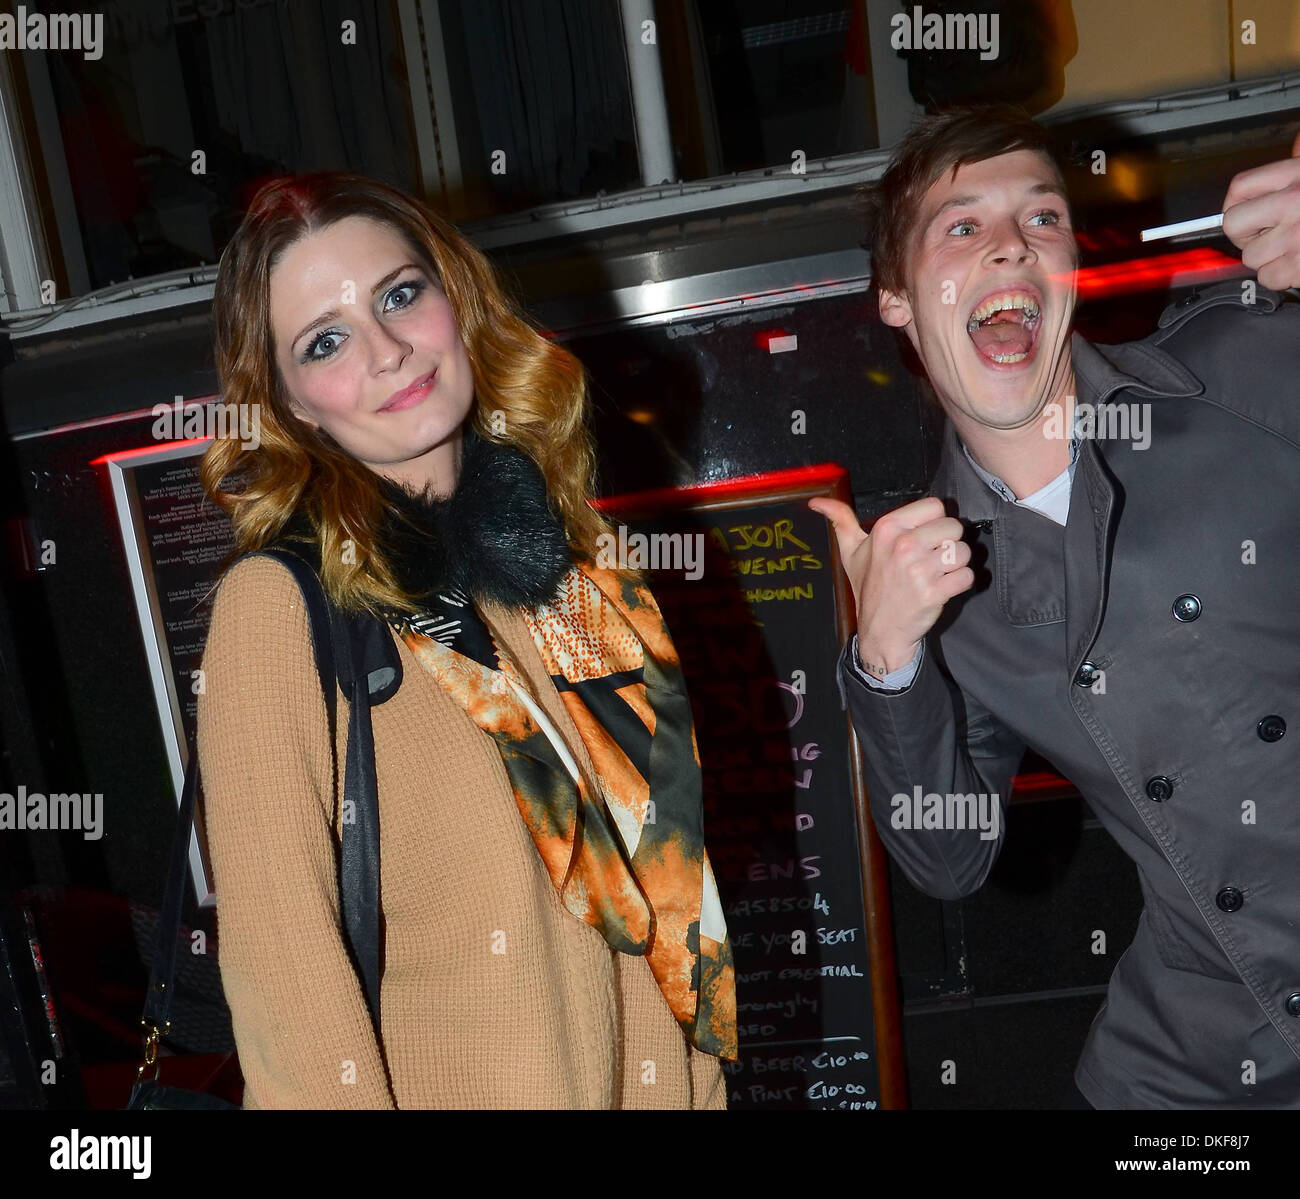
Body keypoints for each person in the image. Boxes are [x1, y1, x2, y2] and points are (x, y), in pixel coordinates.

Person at [195, 170, 736, 1109]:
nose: (390, 349)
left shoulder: (577, 568)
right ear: (290, 406)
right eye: (327, 341)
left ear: (457, 298)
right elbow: (289, 992)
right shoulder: (279, 609)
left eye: (401, 294)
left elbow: (669, 909)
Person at [812, 104, 1300, 1109]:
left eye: (1040, 219)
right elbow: (950, 855)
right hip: (1210, 1049)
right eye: (961, 225)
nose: (1008, 244)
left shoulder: (1241, 368)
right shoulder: (943, 581)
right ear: (898, 299)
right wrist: (886, 654)